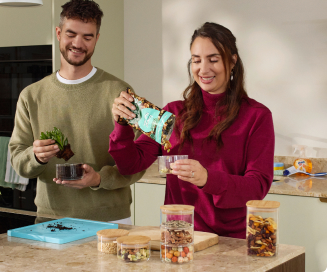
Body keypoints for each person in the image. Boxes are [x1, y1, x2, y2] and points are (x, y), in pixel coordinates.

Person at [109, 22, 275, 238]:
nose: (203, 69)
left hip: (230, 240)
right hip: (177, 237)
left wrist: (207, 178)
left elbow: (257, 186)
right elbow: (130, 165)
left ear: (232, 61)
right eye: (196, 60)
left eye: (213, 60)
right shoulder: (173, 114)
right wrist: (122, 124)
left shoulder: (257, 116)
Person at [9, 0, 145, 224]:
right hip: (50, 218)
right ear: (58, 33)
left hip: (110, 219)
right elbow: (17, 158)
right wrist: (35, 156)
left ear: (97, 39)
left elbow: (140, 156)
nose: (78, 43)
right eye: (71, 34)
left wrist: (99, 178)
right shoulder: (31, 96)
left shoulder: (120, 92)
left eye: (87, 36)